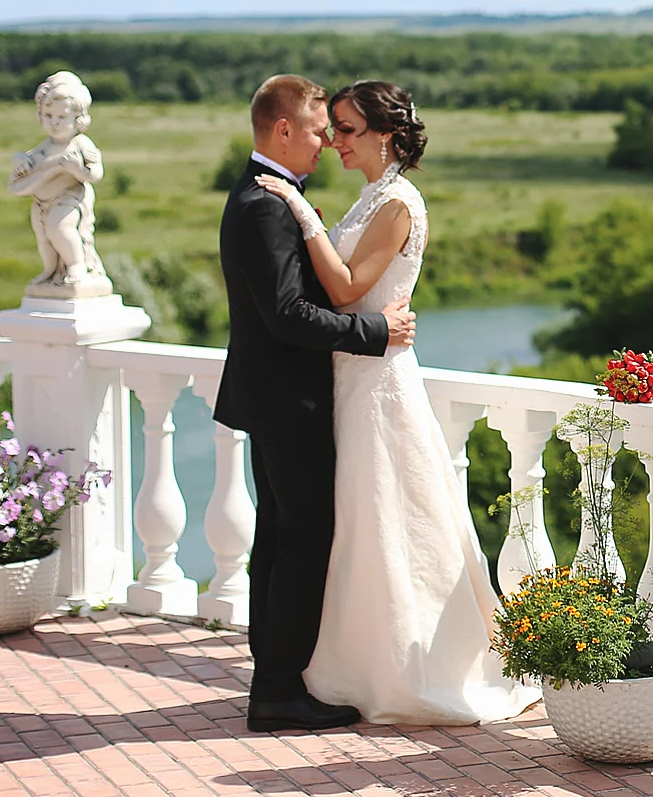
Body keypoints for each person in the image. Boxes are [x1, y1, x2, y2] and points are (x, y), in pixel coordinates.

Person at [253, 79, 539, 725]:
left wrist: (301, 215)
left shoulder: (400, 202)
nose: (335, 142)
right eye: (333, 129)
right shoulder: (369, 199)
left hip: (378, 385)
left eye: (348, 130)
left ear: (386, 134)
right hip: (351, 376)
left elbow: (349, 283)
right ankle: (343, 666)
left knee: (389, 518)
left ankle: (408, 670)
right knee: (357, 524)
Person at [214, 74, 416, 733]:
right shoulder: (265, 205)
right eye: (318, 130)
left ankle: (274, 673)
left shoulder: (265, 198)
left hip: (279, 397)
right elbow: (288, 316)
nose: (327, 143)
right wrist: (375, 333)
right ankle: (277, 689)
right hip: (289, 400)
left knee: (278, 537)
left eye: (339, 130)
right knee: (299, 541)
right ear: (282, 130)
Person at [9, 71, 109, 293]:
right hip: (40, 201)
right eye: (48, 115)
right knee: (44, 239)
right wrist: (19, 159)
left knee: (60, 229)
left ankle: (76, 266)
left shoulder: (81, 144)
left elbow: (96, 174)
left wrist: (78, 169)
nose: (54, 122)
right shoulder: (45, 145)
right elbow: (29, 160)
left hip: (68, 199)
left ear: (78, 118)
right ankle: (51, 270)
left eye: (62, 117)